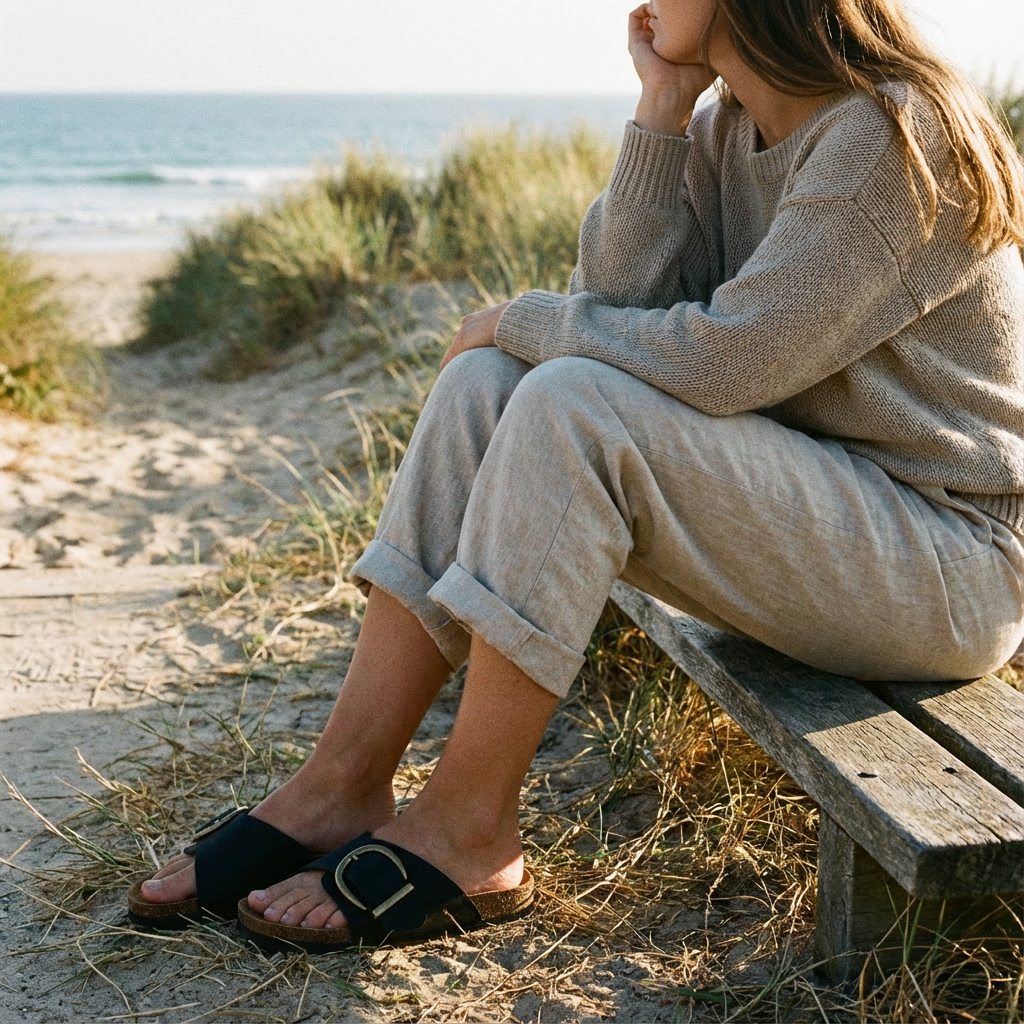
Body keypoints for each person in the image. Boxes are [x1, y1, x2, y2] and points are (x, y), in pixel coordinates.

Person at [128, 0, 1024, 951]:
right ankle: (340, 781)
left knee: (567, 400)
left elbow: (728, 364)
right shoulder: (729, 128)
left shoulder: (889, 134)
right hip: (819, 529)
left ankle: (470, 824)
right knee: (491, 380)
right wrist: (662, 112)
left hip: (945, 566)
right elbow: (620, 309)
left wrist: (527, 316)